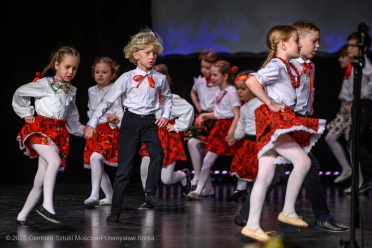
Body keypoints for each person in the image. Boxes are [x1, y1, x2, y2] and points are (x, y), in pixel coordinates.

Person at [236, 21, 350, 234]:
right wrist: (273, 105)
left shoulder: (309, 65)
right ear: (295, 41)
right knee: (306, 164)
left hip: (294, 119)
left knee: (272, 172)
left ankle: (247, 219)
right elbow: (262, 84)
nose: (317, 46)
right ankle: (317, 215)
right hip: (283, 119)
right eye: (312, 41)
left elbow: (305, 93)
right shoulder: (286, 64)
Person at [83, 28, 172, 222]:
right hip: (130, 122)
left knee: (157, 153)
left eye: (154, 53)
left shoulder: (160, 78)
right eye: (147, 53)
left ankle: (149, 194)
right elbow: (106, 102)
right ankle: (115, 211)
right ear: (136, 55)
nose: (151, 57)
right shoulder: (126, 78)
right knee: (125, 169)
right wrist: (92, 123)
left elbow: (167, 99)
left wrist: (165, 114)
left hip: (149, 121)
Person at [13, 46, 84, 226]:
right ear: (57, 65)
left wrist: (84, 131)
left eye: (74, 68)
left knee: (39, 180)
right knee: (55, 161)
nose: (70, 71)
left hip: (58, 133)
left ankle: (21, 216)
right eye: (67, 67)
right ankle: (47, 205)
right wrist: (26, 112)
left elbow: (72, 117)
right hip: (40, 129)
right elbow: (20, 93)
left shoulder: (70, 91)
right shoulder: (45, 84)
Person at [139, 64, 194, 208]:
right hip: (152, 135)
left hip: (168, 139)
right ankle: (148, 198)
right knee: (145, 166)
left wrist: (176, 126)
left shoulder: (171, 99)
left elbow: (188, 110)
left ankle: (183, 175)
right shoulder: (145, 99)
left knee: (166, 179)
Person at [186, 60, 243, 200]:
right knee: (207, 160)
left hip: (231, 127)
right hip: (219, 127)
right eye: (211, 75)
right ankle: (199, 191)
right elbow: (219, 113)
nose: (211, 78)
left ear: (224, 76)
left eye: (215, 75)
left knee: (241, 159)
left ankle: (243, 189)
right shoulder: (219, 91)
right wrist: (205, 115)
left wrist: (231, 132)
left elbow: (237, 114)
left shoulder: (231, 92)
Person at [83, 57, 124, 207]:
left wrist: (115, 119)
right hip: (96, 130)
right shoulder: (91, 91)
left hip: (110, 130)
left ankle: (94, 195)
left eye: (104, 72)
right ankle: (109, 196)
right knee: (95, 162)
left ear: (113, 75)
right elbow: (90, 110)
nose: (100, 75)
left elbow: (121, 112)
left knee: (95, 157)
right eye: (97, 72)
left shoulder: (116, 91)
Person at [186, 50, 220, 189]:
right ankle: (199, 177)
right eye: (202, 67)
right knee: (193, 143)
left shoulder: (220, 81)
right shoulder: (200, 81)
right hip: (204, 117)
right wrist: (198, 106)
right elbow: (192, 92)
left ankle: (204, 184)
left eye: (208, 67)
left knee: (205, 152)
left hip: (217, 118)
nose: (204, 70)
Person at [227, 70, 262, 202]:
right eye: (237, 89)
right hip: (248, 142)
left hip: (259, 143)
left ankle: (257, 192)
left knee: (256, 167)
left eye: (243, 89)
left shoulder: (261, 105)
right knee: (242, 163)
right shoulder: (244, 107)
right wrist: (234, 136)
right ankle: (240, 189)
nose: (239, 92)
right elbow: (242, 125)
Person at [344, 30, 372, 193]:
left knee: (354, 143)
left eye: (353, 45)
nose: (349, 49)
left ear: (364, 48)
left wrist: (364, 95)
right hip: (359, 104)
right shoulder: (355, 63)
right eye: (348, 45)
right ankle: (366, 179)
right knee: (353, 143)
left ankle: (368, 177)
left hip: (364, 105)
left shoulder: (365, 63)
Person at [325, 45, 353, 184]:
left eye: (343, 57)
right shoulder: (349, 72)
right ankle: (347, 169)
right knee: (330, 138)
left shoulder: (356, 71)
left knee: (352, 145)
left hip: (351, 110)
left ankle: (359, 180)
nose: (340, 59)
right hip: (345, 109)